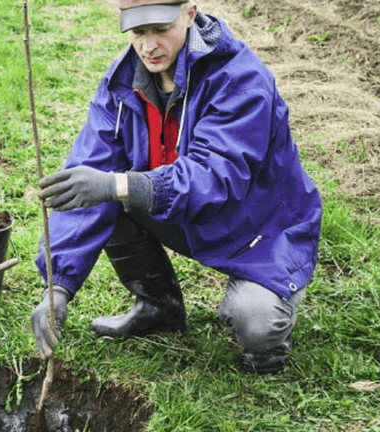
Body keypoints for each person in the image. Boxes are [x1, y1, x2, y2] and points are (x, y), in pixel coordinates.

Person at [30, 0, 322, 374]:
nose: (149, 45)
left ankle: (264, 337)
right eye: (137, 32)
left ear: (190, 13)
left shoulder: (240, 79)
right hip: (185, 213)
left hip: (261, 229)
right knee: (104, 193)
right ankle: (158, 307)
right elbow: (87, 176)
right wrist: (57, 286)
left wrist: (120, 184)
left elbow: (216, 178)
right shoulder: (123, 84)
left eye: (160, 29)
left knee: (254, 320)